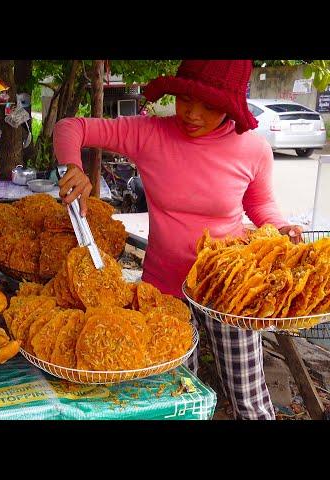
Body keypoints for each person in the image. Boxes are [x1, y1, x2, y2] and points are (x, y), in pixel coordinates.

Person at [53, 60, 303, 420]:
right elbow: (70, 127)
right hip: (162, 292)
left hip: (229, 294)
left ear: (231, 107)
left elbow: (260, 203)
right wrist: (72, 166)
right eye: (185, 99)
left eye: (209, 106)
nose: (193, 114)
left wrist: (281, 228)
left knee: (250, 398)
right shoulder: (148, 133)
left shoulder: (253, 149)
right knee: (173, 397)